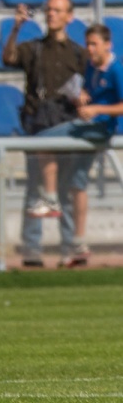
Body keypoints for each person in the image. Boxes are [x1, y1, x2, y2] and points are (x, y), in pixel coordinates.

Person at [2, 0, 88, 266]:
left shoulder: (78, 53)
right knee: (34, 187)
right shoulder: (34, 48)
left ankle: (69, 249)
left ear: (69, 17)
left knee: (66, 188)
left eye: (57, 10)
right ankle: (32, 250)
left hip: (66, 127)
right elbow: (9, 58)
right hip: (38, 126)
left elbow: (89, 90)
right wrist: (16, 28)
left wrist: (83, 99)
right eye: (49, 10)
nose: (51, 14)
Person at [55, 23, 123, 267]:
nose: (90, 49)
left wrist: (96, 109)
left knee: (46, 140)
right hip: (87, 127)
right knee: (73, 182)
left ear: (108, 45)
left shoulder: (116, 70)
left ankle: (49, 197)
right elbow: (88, 91)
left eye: (94, 44)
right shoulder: (91, 67)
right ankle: (76, 243)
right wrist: (82, 95)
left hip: (99, 130)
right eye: (88, 44)